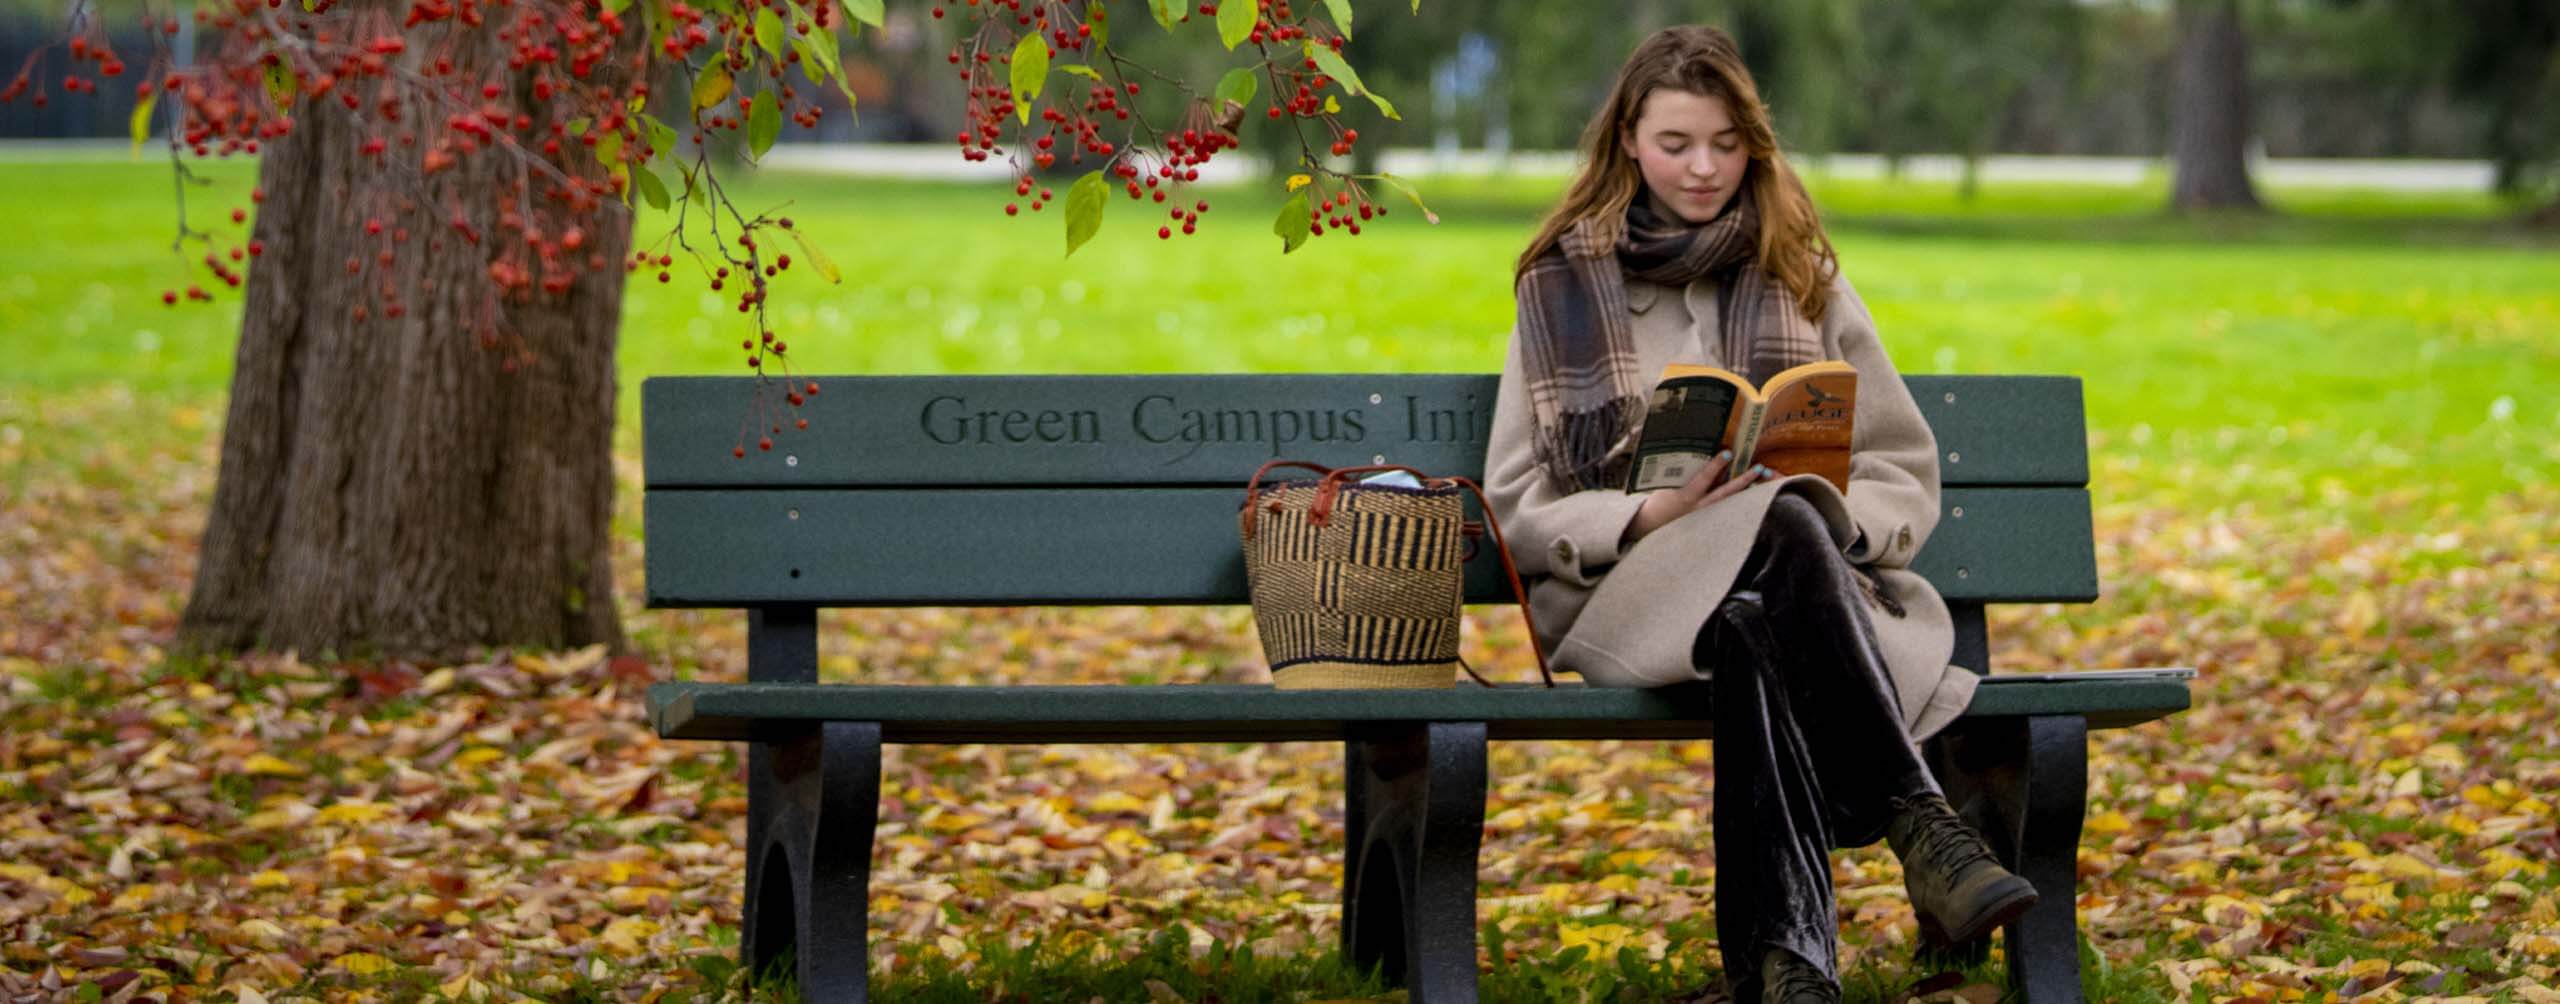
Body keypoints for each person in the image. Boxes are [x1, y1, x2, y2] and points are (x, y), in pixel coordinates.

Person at [1481, 24, 2039, 1004]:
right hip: (1634, 599)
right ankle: (1920, 820)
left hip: (1799, 597)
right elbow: (1518, 506)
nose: (1703, 168)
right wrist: (1647, 514)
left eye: (1726, 144)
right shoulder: (1560, 283)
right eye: (1675, 143)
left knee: (1761, 590)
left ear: (1755, 144)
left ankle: (1783, 969)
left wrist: (1834, 515)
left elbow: (1901, 463)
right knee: (1774, 523)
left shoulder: (1801, 272)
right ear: (1627, 144)